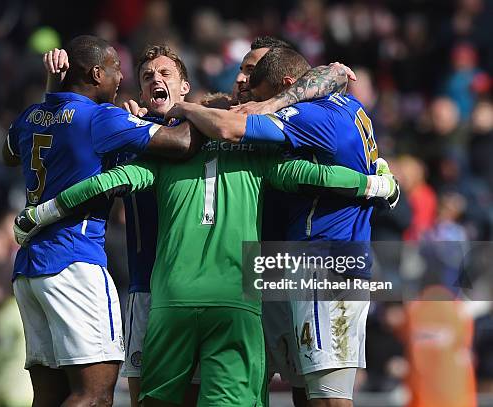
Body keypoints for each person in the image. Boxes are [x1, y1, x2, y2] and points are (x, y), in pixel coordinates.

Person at [42, 39, 358, 407]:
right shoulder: (142, 134)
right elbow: (306, 170)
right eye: (146, 76)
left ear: (185, 88)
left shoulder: (229, 137)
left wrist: (47, 211)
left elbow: (107, 178)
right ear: (141, 90)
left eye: (164, 73)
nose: (155, 79)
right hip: (190, 293)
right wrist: (372, 181)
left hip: (192, 292)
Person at [164, 46, 397, 406]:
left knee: (328, 397)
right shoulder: (346, 105)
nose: (250, 91)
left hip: (325, 262)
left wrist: (184, 108)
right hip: (301, 263)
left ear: (286, 83)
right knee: (304, 388)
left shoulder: (308, 116)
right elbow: (332, 75)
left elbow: (228, 128)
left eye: (257, 84)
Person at [4, 35, 203, 407]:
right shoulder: (102, 118)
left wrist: (53, 88)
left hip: (29, 271)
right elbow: (181, 143)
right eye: (117, 71)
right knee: (93, 395)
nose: (119, 80)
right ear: (97, 73)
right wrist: (209, 109)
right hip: (74, 263)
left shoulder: (31, 115)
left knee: (49, 396)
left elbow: (10, 152)